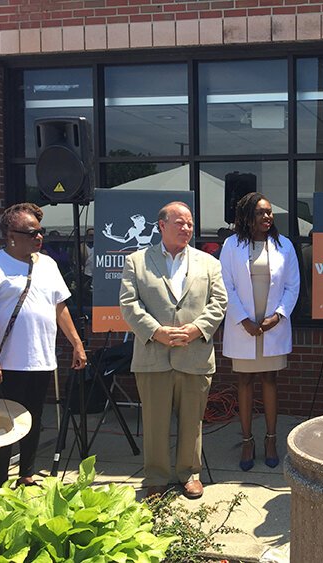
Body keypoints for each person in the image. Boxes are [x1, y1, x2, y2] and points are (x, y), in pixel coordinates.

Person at [119, 201, 227, 499]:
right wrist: (156, 332)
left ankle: (189, 473)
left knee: (193, 421)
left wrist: (196, 329)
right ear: (161, 225)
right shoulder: (137, 261)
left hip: (194, 353)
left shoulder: (209, 263)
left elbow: (219, 303)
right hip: (153, 355)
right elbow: (129, 304)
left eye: (190, 223)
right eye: (180, 222)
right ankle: (156, 476)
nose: (187, 228)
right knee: (154, 421)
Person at [0, 203, 87, 489]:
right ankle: (0, 481)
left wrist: (76, 344)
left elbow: (60, 307)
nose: (39, 238)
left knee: (33, 418)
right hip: (7, 361)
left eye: (40, 232)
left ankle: (26, 474)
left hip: (41, 358)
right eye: (32, 233)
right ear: (10, 234)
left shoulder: (48, 264)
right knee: (4, 422)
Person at [219, 193, 300, 471]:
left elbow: (293, 285)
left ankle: (270, 439)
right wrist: (243, 319)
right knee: (244, 381)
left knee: (269, 379)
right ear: (247, 216)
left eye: (269, 213)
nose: (267, 217)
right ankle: (246, 440)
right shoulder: (231, 246)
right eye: (260, 213)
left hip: (271, 324)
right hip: (243, 325)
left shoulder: (284, 245)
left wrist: (277, 316)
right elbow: (225, 286)